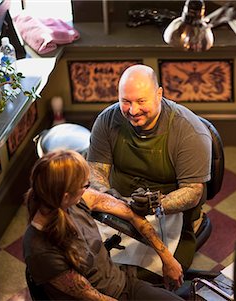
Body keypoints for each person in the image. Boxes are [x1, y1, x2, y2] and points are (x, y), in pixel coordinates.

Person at [87, 64, 212, 276]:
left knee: (145, 277)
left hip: (171, 218)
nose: (133, 110)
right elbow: (95, 173)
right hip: (117, 210)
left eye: (141, 101)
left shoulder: (188, 131)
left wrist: (156, 204)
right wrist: (112, 200)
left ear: (159, 94)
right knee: (88, 264)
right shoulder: (108, 120)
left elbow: (193, 191)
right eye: (125, 101)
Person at [23, 150, 184, 300]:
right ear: (65, 197)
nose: (88, 188)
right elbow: (91, 296)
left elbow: (130, 214)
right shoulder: (39, 249)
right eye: (84, 185)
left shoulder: (76, 200)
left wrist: (167, 259)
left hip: (122, 283)